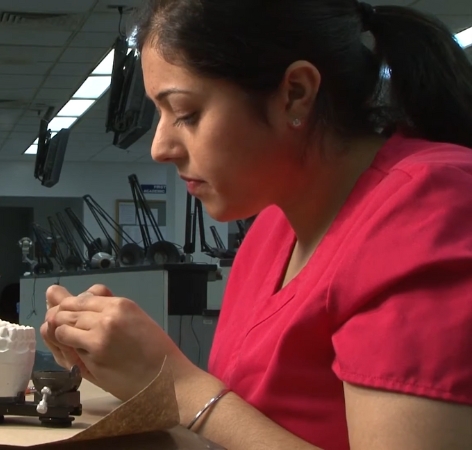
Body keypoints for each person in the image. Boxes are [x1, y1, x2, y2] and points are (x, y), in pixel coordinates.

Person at [40, 0, 472, 449]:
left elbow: (211, 406)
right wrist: (130, 371)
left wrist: (178, 385)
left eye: (185, 113)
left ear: (295, 94)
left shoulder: (426, 209)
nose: (160, 147)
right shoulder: (271, 230)